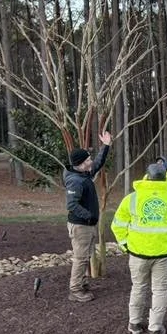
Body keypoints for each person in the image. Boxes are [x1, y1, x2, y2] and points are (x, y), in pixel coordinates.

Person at [111, 163, 167, 334]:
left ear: (146, 177)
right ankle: (155, 329)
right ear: (165, 178)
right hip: (163, 254)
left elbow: (118, 225)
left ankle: (134, 323)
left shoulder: (132, 199)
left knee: (138, 287)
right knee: (160, 290)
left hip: (137, 253)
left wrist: (125, 245)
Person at [63, 129, 112, 302]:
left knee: (83, 257)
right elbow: (72, 205)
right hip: (81, 226)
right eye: (88, 159)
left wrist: (106, 146)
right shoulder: (75, 181)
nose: (91, 160)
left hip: (87, 225)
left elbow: (98, 163)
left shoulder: (82, 174)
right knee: (80, 258)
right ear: (81, 163)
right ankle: (75, 290)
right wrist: (89, 217)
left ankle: (82, 284)